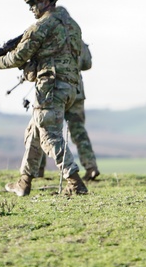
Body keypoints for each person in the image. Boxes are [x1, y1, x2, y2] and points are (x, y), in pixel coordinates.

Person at [0, 0, 89, 196]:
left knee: (49, 136)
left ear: (47, 0)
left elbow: (17, 57)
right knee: (35, 130)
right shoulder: (73, 25)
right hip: (70, 88)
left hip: (51, 87)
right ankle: (24, 182)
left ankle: (75, 182)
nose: (32, 8)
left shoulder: (42, 26)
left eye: (34, 2)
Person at [37, 41, 100, 181]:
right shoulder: (78, 41)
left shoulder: (52, 37)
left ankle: (38, 170)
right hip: (77, 91)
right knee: (79, 131)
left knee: (45, 128)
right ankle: (91, 167)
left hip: (55, 91)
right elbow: (87, 64)